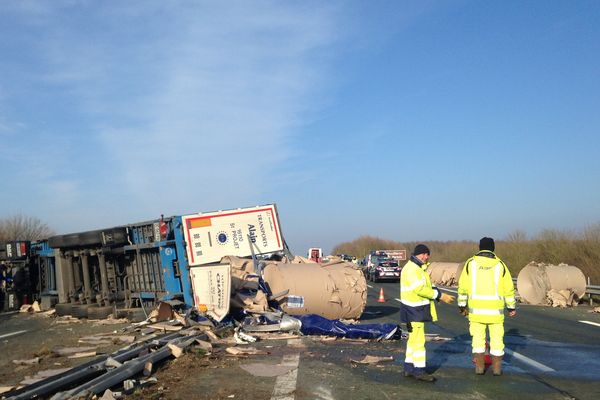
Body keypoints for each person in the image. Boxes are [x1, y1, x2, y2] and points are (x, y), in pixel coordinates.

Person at [457, 237, 516, 376]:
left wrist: (461, 305)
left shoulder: (470, 264)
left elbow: (463, 287)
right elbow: (509, 288)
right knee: (497, 340)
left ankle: (479, 368)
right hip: (496, 312)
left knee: (478, 339)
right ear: (493, 248)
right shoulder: (500, 265)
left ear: (479, 247)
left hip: (476, 312)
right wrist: (511, 307)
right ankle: (496, 369)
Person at [400, 244, 455, 382]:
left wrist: (440, 293)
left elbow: (428, 286)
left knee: (413, 341)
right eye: (424, 254)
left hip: (413, 310)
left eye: (428, 254)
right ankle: (419, 371)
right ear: (418, 254)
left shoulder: (418, 268)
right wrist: (438, 296)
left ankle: (409, 367)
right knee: (418, 342)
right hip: (414, 310)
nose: (427, 257)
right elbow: (420, 289)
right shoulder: (413, 269)